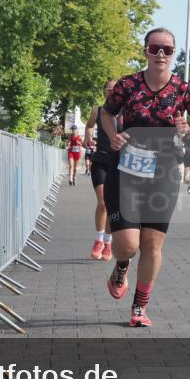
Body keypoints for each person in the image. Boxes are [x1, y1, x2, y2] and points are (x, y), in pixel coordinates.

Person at [100, 28, 190, 327]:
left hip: (164, 171)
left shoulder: (183, 89)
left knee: (152, 243)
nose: (161, 54)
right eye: (155, 48)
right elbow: (106, 113)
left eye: (167, 49)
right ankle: (121, 266)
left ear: (174, 53)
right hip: (126, 170)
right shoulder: (127, 84)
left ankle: (139, 307)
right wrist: (113, 136)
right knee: (127, 245)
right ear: (146, 51)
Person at [84, 80, 118, 261]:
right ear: (104, 92)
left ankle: (108, 242)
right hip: (101, 161)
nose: (112, 92)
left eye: (115, 89)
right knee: (104, 202)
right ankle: (98, 240)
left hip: (119, 162)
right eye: (109, 89)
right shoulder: (98, 111)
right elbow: (89, 126)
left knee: (113, 204)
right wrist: (87, 137)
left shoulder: (126, 112)